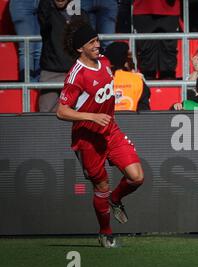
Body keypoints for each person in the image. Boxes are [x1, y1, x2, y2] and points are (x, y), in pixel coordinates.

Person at [57, 19, 145, 248]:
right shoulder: (76, 75)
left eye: (97, 39)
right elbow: (62, 111)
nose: (97, 44)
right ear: (80, 48)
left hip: (110, 130)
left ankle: (117, 199)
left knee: (137, 177)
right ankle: (105, 232)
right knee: (101, 188)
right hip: (88, 138)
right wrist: (92, 117)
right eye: (91, 42)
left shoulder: (104, 62)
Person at [38, 1, 90, 112]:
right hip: (50, 73)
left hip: (75, 74)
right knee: (45, 116)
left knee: (75, 116)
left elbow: (87, 44)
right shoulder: (48, 14)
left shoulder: (81, 15)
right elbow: (44, 13)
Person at [133, 0, 180, 80]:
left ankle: (169, 88)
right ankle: (147, 86)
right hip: (143, 8)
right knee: (146, 53)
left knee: (169, 53)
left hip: (170, 10)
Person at [103, 42, 151, 112]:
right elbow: (144, 113)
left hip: (105, 122)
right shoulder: (137, 80)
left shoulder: (98, 80)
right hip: (132, 121)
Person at [9, 0, 42, 82]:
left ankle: (40, 89)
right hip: (22, 3)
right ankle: (28, 91)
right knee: (27, 49)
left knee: (42, 49)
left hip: (45, 3)